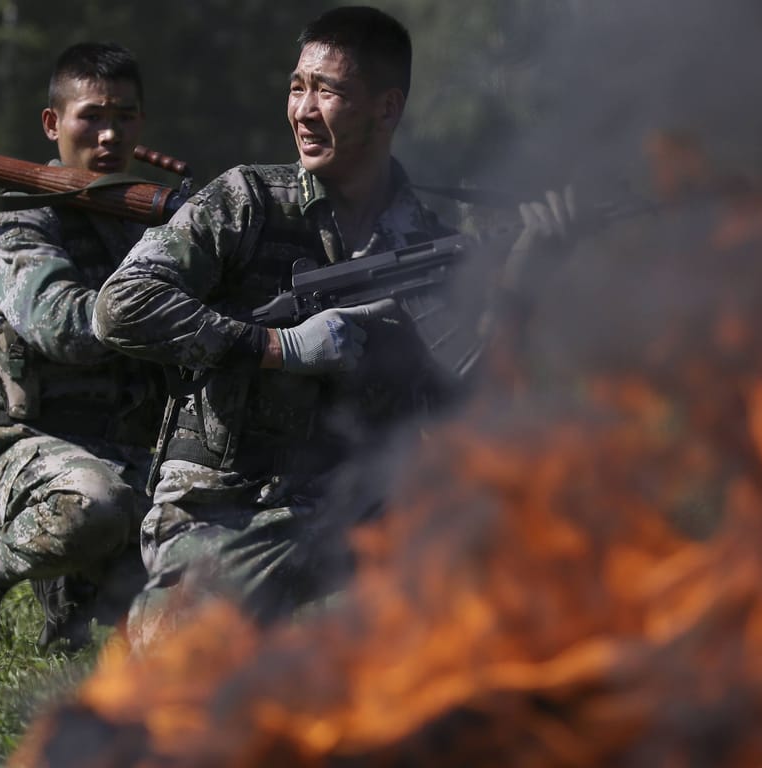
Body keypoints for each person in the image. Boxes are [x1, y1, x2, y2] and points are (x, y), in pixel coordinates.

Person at [92, 5, 573, 646]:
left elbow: (471, 407)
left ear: (386, 108)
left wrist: (518, 283)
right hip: (231, 511)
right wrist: (275, 346)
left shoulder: (427, 242)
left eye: (329, 90)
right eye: (298, 87)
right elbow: (118, 305)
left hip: (363, 513)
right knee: (190, 665)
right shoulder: (246, 202)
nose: (304, 110)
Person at [0, 42, 163, 655]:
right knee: (93, 508)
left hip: (134, 450)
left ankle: (76, 592)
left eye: (126, 117)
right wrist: (172, 310)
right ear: (53, 123)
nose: (110, 134)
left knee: (208, 571)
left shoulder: (151, 220)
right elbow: (63, 326)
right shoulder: (19, 216)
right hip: (25, 446)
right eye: (92, 116)